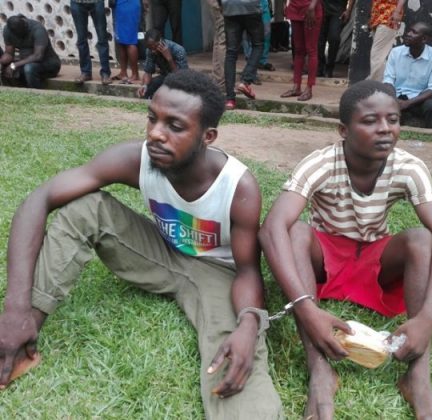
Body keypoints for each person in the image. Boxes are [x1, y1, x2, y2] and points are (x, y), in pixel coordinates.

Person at [0, 69, 283, 420]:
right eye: (152, 118)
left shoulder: (237, 187)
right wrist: (15, 309)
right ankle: (21, 336)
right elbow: (39, 199)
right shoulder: (136, 159)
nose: (155, 134)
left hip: (217, 273)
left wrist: (249, 325)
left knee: (231, 352)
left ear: (207, 136)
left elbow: (248, 271)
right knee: (84, 207)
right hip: (159, 253)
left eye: (175, 126)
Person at [259, 80, 432, 419]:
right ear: (344, 130)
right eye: (370, 121)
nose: (385, 129)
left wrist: (428, 317)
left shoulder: (408, 167)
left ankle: (418, 378)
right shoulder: (321, 163)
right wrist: (306, 309)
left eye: (393, 120)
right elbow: (271, 228)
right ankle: (320, 372)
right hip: (324, 262)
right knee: (295, 231)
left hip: (375, 261)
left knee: (422, 239)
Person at [383, 21, 432, 129]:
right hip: (396, 96)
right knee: (376, 99)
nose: (408, 34)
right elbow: (388, 80)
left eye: (414, 32)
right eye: (409, 30)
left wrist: (407, 103)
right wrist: (394, 99)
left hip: (418, 99)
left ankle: (430, 135)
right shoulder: (396, 52)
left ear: (424, 39)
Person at [220, 0, 264, 110]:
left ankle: (230, 100)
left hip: (229, 7)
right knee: (258, 45)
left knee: (231, 52)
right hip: (251, 7)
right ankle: (245, 81)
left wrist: (222, 4)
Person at [0, 15, 61, 89]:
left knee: (29, 68)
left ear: (25, 25)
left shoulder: (38, 30)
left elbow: (38, 56)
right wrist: (2, 63)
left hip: (48, 63)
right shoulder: (8, 31)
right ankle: (16, 91)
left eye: (22, 32)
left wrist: (14, 65)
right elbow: (9, 54)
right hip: (24, 63)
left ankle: (36, 92)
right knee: (5, 69)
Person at [280, 0, 323, 101]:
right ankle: (296, 87)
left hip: (311, 8)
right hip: (294, 8)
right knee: (298, 50)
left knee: (311, 50)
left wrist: (312, 6)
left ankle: (309, 88)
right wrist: (285, 4)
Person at [137, 29, 188, 99]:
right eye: (150, 48)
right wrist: (145, 86)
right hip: (165, 77)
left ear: (160, 41)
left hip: (179, 80)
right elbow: (148, 72)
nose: (153, 51)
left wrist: (169, 59)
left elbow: (181, 77)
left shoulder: (178, 50)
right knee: (150, 87)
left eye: (155, 47)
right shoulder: (150, 50)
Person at [70, 0, 112, 85]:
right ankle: (85, 72)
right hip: (77, 2)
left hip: (97, 2)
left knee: (102, 37)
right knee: (81, 39)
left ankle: (105, 73)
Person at [368, 0, 407, 81]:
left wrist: (397, 11)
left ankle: (376, 83)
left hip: (388, 17)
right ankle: (381, 82)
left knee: (377, 55)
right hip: (378, 18)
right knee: (380, 56)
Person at [318, 0, 354, 78]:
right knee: (319, 39)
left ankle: (329, 67)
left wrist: (348, 11)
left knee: (334, 38)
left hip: (338, 9)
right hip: (322, 6)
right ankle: (319, 67)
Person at [112, 0, 143, 84]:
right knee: (121, 41)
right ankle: (123, 73)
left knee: (130, 41)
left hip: (129, 5)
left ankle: (135, 74)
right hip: (120, 5)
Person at [206, 0, 226, 91]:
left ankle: (218, 77)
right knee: (223, 40)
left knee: (218, 38)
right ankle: (222, 81)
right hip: (219, 3)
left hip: (216, 3)